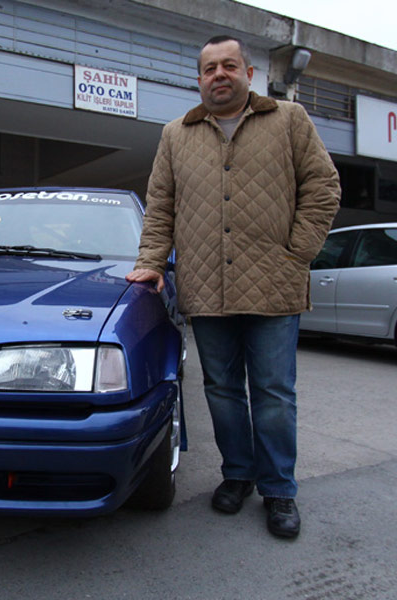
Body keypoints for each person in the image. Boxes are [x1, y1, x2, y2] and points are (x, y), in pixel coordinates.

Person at [126, 35, 340, 538]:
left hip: (274, 285)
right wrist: (150, 262)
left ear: (248, 73)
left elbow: (323, 186)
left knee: (273, 392)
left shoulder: (289, 120)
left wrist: (297, 252)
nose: (219, 75)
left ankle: (279, 488)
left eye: (229, 65)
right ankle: (238, 475)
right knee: (221, 391)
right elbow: (161, 207)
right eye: (209, 69)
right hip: (207, 287)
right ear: (199, 79)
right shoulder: (175, 135)